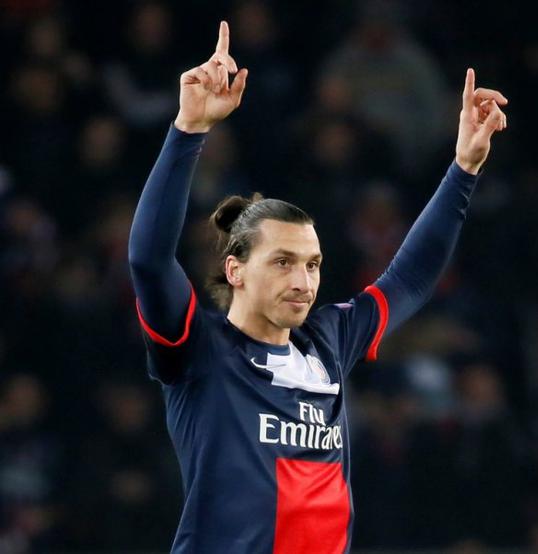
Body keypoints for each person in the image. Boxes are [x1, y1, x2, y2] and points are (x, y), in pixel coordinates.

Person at [127, 21, 507, 554]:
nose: (303, 281)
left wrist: (464, 167)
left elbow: (411, 278)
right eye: (283, 262)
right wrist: (188, 130)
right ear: (236, 270)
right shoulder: (199, 349)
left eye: (313, 264)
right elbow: (148, 260)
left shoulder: (328, 340)